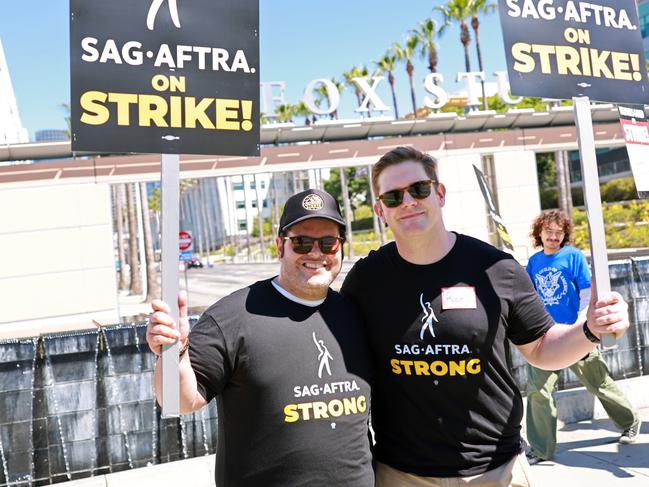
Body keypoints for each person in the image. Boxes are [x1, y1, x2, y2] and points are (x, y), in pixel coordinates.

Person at [340, 146, 630, 487]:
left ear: (439, 193)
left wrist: (590, 329)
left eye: (418, 189)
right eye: (392, 196)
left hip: (494, 470)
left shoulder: (495, 268)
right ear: (379, 209)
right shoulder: (366, 280)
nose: (407, 202)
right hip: (402, 474)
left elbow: (541, 348)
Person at [146, 189, 374, 487]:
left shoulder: (356, 314)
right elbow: (178, 401)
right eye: (302, 242)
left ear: (341, 248)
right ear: (280, 246)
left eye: (328, 243)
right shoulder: (232, 315)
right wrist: (174, 351)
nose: (316, 253)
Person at [524, 210, 641, 464]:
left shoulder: (573, 257)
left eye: (558, 233)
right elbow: (531, 297)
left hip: (577, 334)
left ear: (564, 235)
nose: (553, 237)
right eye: (549, 232)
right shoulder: (533, 262)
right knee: (538, 391)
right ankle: (541, 449)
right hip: (546, 338)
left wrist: (583, 324)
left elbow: (587, 293)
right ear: (539, 233)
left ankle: (630, 421)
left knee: (598, 383)